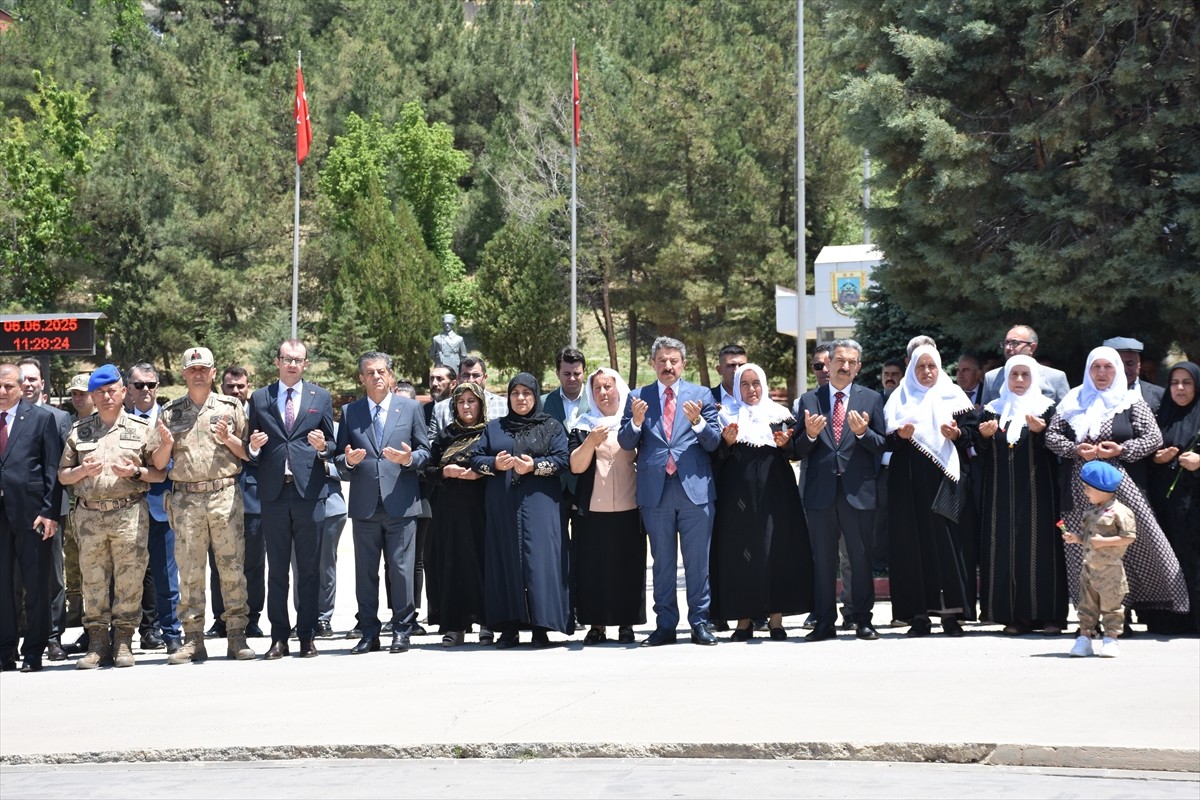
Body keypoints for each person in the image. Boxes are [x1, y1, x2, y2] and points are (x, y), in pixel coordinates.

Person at [1045, 346, 1189, 627]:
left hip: (1121, 488)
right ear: (1088, 370)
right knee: (1083, 549)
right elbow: (1051, 436)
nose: (1102, 373)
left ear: (1118, 370)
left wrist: (1119, 450)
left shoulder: (1130, 400)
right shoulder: (1074, 400)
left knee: (1132, 545)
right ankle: (1090, 621)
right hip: (1080, 487)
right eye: (1096, 367)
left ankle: (1121, 615)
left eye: (1108, 367)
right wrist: (1077, 450)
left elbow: (1152, 438)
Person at [57, 365, 170, 669]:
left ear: (123, 392)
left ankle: (123, 641)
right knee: (93, 580)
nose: (106, 397)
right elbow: (63, 475)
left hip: (129, 512)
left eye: (111, 391)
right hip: (89, 516)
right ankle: (96, 643)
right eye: (100, 392)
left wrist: (135, 472)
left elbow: (159, 473)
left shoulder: (141, 428)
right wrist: (82, 471)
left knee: (129, 581)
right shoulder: (79, 431)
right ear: (92, 396)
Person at [618, 337, 722, 647]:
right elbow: (626, 443)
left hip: (695, 490)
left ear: (683, 364)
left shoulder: (700, 395)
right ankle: (665, 624)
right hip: (656, 492)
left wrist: (698, 421)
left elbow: (714, 442)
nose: (668, 366)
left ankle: (700, 623)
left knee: (697, 561)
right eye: (662, 360)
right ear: (653, 364)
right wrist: (636, 422)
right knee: (662, 562)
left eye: (673, 360)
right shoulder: (639, 397)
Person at [158, 347, 256, 665]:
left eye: (204, 368)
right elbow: (158, 462)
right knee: (189, 572)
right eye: (192, 369)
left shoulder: (232, 407)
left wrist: (229, 438)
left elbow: (248, 454)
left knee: (231, 569)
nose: (198, 373)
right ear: (184, 373)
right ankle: (193, 639)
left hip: (224, 494)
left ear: (213, 373)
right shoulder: (170, 412)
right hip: (186, 498)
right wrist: (166, 444)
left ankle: (237, 636)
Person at [785, 341, 884, 641]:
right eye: (839, 360)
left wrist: (863, 433)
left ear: (858, 367)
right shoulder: (809, 400)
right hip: (820, 491)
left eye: (850, 362)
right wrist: (811, 436)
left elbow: (882, 445)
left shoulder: (872, 399)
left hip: (857, 491)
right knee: (823, 559)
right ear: (827, 364)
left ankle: (862, 619)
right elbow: (797, 450)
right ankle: (824, 621)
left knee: (860, 557)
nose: (844, 366)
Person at [334, 352, 430, 655]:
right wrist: (347, 460)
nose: (376, 377)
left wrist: (409, 459)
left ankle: (402, 631)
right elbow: (338, 457)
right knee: (365, 572)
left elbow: (425, 452)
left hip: (400, 503)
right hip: (364, 504)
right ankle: (369, 632)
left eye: (381, 372)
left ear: (390, 376)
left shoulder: (411, 408)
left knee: (401, 570)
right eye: (370, 373)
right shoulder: (351, 412)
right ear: (361, 378)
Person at [711, 363, 814, 641]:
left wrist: (786, 444)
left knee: (774, 549)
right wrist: (726, 443)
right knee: (740, 551)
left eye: (756, 383)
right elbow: (714, 456)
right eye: (744, 384)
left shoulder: (780, 415)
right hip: (736, 497)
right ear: (736, 388)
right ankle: (743, 620)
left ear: (764, 384)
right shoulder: (725, 417)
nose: (751, 389)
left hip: (775, 493)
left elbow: (796, 452)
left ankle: (775, 619)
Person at [247, 339, 335, 660]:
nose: (292, 365)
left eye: (298, 360)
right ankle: (278, 637)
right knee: (278, 571)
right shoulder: (260, 398)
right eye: (287, 359)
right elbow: (249, 449)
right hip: (273, 494)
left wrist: (323, 446)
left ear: (306, 364)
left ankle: (307, 636)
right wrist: (254, 446)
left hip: (309, 494)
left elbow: (333, 445)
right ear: (277, 361)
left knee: (309, 570)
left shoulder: (320, 397)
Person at [471, 373, 572, 648]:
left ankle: (542, 627)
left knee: (541, 563)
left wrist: (534, 466)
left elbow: (563, 460)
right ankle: (508, 628)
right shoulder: (495, 428)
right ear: (508, 397)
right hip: (503, 506)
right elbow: (476, 458)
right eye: (515, 393)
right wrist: (495, 464)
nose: (521, 398)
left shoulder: (551, 426)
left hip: (541, 506)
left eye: (527, 393)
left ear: (535, 396)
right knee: (506, 562)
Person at [884, 344, 977, 637]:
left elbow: (973, 435)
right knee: (912, 546)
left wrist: (958, 434)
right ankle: (918, 615)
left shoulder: (954, 396)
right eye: (921, 367)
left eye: (932, 366)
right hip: (907, 481)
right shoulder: (899, 398)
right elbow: (883, 440)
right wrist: (900, 436)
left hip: (945, 482)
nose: (926, 372)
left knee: (947, 546)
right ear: (912, 369)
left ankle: (951, 615)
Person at [976, 355, 1067, 635]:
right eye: (1013, 374)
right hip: (1000, 494)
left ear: (1034, 378)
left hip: (1040, 492)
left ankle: (1050, 615)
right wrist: (982, 437)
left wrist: (1043, 432)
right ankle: (1014, 616)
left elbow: (1059, 447)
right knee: (1006, 549)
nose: (1018, 381)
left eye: (1024, 375)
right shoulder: (992, 410)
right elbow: (980, 454)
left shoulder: (1048, 410)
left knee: (1043, 549)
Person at [568, 368, 645, 645]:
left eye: (608, 386)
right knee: (593, 570)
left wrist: (636, 423)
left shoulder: (633, 423)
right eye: (597, 388)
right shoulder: (584, 425)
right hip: (592, 511)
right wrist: (590, 441)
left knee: (628, 567)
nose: (603, 393)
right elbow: (576, 466)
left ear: (618, 388)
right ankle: (596, 624)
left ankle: (627, 624)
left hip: (630, 506)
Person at [0, 362, 63, 673]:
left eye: (8, 386)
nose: (2, 391)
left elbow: (52, 469)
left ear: (21, 385)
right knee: (2, 586)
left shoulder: (40, 418)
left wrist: (49, 512)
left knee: (35, 584)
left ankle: (34, 650)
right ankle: (5, 650)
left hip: (32, 514)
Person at [425, 382, 490, 646]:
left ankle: (488, 623)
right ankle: (455, 626)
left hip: (482, 511)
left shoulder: (490, 433)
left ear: (481, 404)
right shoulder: (445, 435)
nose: (466, 406)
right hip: (449, 512)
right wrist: (444, 472)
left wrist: (481, 471)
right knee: (452, 565)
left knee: (482, 565)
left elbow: (501, 465)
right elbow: (426, 470)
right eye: (461, 401)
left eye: (471, 401)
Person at [15, 358, 71, 662]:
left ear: (42, 384)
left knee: (52, 579)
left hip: (48, 512)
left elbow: (59, 469)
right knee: (15, 579)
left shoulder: (59, 418)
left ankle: (52, 637)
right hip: (13, 511)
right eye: (22, 378)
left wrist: (54, 510)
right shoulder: (5, 418)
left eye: (33, 379)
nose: (28, 383)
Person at [124, 363, 182, 654]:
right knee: (119, 575)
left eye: (151, 384)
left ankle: (172, 633)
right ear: (129, 388)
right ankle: (116, 635)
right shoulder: (118, 420)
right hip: (124, 510)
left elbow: (175, 464)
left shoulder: (172, 417)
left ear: (158, 386)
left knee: (166, 575)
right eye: (139, 385)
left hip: (162, 506)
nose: (145, 390)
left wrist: (144, 471)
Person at [207, 366, 265, 640]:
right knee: (220, 562)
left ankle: (252, 618)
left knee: (253, 563)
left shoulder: (261, 414)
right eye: (230, 386)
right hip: (218, 500)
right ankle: (221, 619)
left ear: (248, 386)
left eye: (240, 386)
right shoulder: (212, 416)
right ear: (222, 387)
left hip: (253, 498)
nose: (236, 391)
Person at [1062, 461, 1136, 658]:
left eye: (1088, 488)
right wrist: (1076, 538)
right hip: (1090, 568)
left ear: (1101, 489)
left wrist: (1104, 542)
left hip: (1110, 570)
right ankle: (1084, 638)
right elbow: (1089, 538)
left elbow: (1129, 537)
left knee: (1112, 606)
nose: (1085, 492)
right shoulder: (1091, 512)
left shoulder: (1121, 511)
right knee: (1086, 605)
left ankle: (1111, 639)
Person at [1148, 362, 1200, 635]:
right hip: (1166, 503)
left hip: (1195, 503)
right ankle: (1174, 619)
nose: (1180, 388)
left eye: (1187, 382)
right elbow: (1150, 451)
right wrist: (1158, 457)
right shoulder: (1162, 415)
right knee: (1171, 558)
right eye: (1174, 382)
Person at [980, 325, 1071, 404]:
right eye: (1006, 343)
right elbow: (984, 416)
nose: (1008, 348)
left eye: (1015, 343)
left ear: (1032, 347)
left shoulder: (1056, 378)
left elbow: (1065, 417)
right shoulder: (992, 377)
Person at [428, 357, 508, 441]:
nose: (470, 380)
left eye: (476, 375)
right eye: (465, 375)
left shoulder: (503, 405)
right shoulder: (440, 408)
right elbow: (431, 442)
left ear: (485, 377)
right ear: (458, 378)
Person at [1104, 337, 1165, 413]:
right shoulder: (1093, 394)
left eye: (1129, 364)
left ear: (1139, 364)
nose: (1124, 370)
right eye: (1118, 364)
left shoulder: (1160, 395)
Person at [542, 347, 589, 432]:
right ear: (558, 374)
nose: (572, 378)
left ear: (584, 372)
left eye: (576, 374)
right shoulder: (543, 403)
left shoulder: (596, 400)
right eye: (567, 374)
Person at [710, 344, 748, 426]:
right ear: (719, 370)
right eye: (731, 365)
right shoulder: (708, 398)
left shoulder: (759, 397)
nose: (737, 370)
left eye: (742, 365)